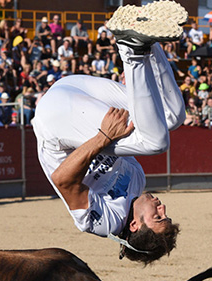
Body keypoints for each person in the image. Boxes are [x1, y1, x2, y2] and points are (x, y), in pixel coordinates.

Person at [32, 1, 187, 263]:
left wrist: (103, 137)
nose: (162, 205)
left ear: (135, 226)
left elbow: (62, 179)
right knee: (173, 117)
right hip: (76, 90)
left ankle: (131, 49)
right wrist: (140, 94)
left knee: (157, 141)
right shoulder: (137, 180)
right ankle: (148, 40)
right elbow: (131, 132)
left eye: (158, 215)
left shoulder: (104, 222)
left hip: (56, 122)